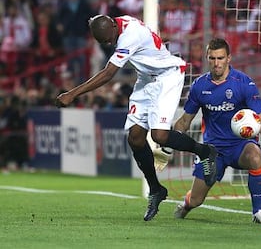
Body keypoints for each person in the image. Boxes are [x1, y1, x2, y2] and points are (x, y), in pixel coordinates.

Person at [55, 14, 218, 221]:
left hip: (167, 76)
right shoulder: (117, 24)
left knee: (159, 135)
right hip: (146, 79)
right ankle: (156, 189)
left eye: (108, 38)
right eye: (103, 41)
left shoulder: (130, 35)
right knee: (135, 137)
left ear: (114, 26)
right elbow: (95, 22)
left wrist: (72, 94)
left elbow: (108, 74)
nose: (109, 43)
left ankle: (205, 151)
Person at [171, 38, 261, 225]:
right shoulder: (199, 86)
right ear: (208, 58)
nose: (216, 63)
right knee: (196, 200)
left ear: (229, 58)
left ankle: (258, 211)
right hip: (211, 151)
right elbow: (185, 121)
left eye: (220, 58)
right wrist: (168, 145)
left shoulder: (244, 84)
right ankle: (185, 204)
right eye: (212, 58)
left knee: (255, 155)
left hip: (240, 146)